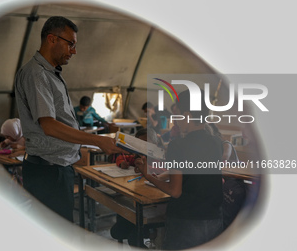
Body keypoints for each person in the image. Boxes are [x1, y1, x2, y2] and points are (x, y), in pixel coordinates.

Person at [14, 16, 126, 222]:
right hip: (47, 172)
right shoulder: (36, 74)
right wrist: (98, 140)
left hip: (56, 168)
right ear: (52, 39)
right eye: (71, 44)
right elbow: (49, 125)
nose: (73, 51)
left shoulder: (52, 74)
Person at [135, 89, 223, 250]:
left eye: (177, 115)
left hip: (187, 219)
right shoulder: (217, 142)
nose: (175, 121)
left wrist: (148, 175)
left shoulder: (178, 145)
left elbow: (175, 191)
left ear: (188, 115)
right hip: (214, 218)